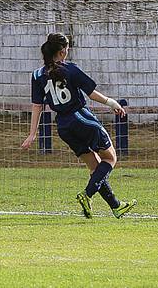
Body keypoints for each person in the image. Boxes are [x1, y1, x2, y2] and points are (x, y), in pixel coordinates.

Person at [21, 33, 137, 219]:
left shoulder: (37, 75)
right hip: (81, 118)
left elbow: (37, 105)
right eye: (66, 49)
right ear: (62, 51)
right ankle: (87, 194)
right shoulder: (70, 69)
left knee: (94, 167)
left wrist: (32, 134)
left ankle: (116, 206)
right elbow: (91, 93)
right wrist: (112, 103)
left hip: (63, 126)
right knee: (110, 159)